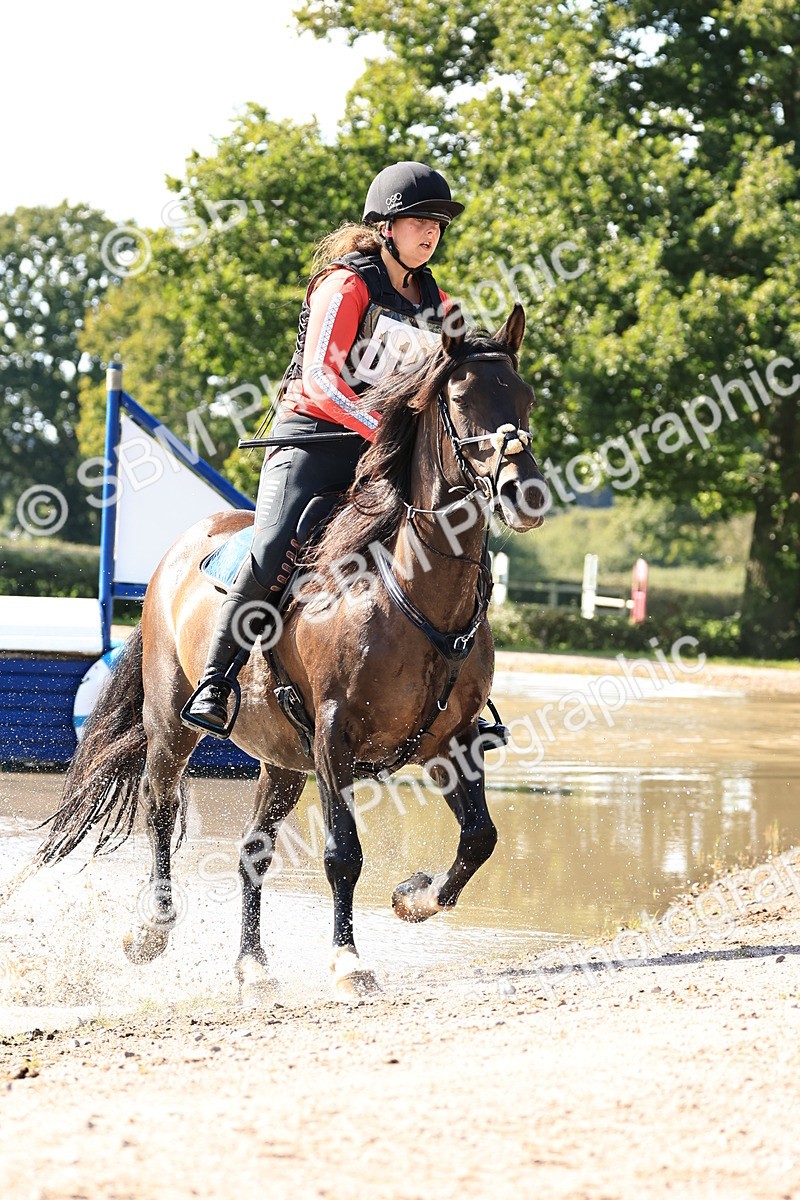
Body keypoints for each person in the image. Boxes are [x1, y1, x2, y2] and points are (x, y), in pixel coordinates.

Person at [182, 160, 464, 737]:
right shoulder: (347, 283)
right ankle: (217, 678)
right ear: (387, 226)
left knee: (447, 536)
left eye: (437, 223)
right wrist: (378, 429)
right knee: (274, 545)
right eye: (418, 221)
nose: (431, 232)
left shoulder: (444, 303)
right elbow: (320, 380)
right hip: (313, 439)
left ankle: (462, 696)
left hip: (383, 453)